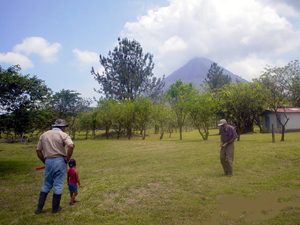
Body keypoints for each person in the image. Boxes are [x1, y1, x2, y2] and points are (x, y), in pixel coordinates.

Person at [35, 119, 75, 214]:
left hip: (48, 160)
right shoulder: (63, 135)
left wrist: (45, 162)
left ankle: (39, 209)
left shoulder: (44, 135)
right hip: (59, 161)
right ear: (62, 127)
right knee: (58, 184)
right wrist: (67, 158)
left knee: (46, 184)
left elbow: (38, 151)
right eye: (64, 127)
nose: (65, 129)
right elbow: (71, 146)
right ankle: (55, 208)